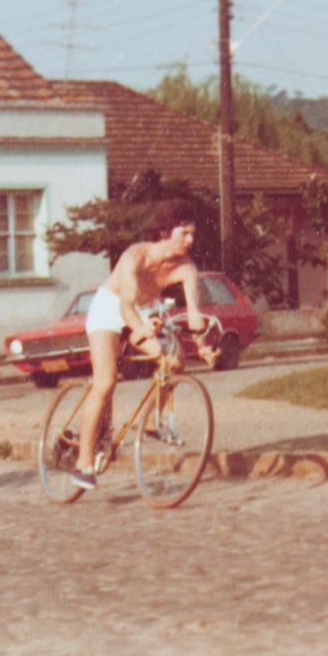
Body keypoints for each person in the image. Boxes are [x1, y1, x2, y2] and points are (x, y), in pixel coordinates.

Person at [70, 201, 211, 491]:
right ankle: (83, 462)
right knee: (105, 383)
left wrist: (203, 344)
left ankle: (150, 422)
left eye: (193, 234)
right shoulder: (136, 256)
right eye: (184, 233)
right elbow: (125, 306)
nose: (190, 240)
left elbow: (195, 314)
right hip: (112, 307)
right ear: (164, 232)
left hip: (144, 311)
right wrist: (141, 329)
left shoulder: (187, 268)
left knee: (174, 361)